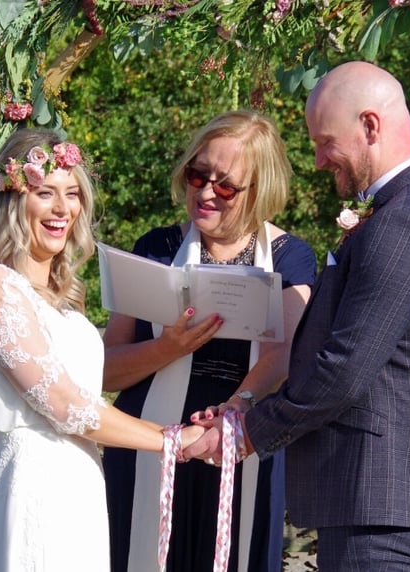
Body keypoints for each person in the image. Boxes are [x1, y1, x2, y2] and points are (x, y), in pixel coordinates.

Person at [185, 61, 410, 571]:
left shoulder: (403, 223)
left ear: (370, 126)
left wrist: (247, 432)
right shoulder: (409, 205)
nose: (318, 161)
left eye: (324, 142)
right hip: (380, 496)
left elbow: (344, 369)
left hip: (381, 494)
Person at [0, 128, 203, 572]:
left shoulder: (62, 299)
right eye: (45, 193)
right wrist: (171, 440)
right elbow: (64, 403)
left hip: (81, 484)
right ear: (12, 200)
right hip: (35, 486)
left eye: (72, 194)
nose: (62, 209)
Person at [102, 110, 317, 572]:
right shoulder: (155, 249)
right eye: (197, 175)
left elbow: (282, 357)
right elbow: (106, 371)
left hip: (238, 447)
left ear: (260, 190)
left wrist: (234, 410)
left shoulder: (290, 260)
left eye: (225, 186)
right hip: (149, 449)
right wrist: (168, 348)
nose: (204, 193)